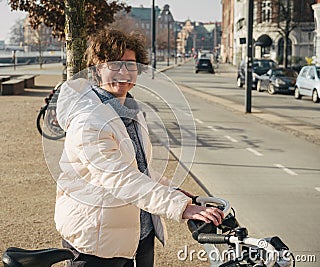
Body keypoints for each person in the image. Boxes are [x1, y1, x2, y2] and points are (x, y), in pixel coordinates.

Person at [54, 29, 223, 267]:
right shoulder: (88, 121)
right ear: (96, 70)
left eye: (130, 65)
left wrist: (176, 191)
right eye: (114, 65)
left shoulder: (130, 110)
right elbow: (120, 178)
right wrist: (179, 207)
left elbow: (137, 169)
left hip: (137, 235)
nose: (123, 72)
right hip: (98, 240)